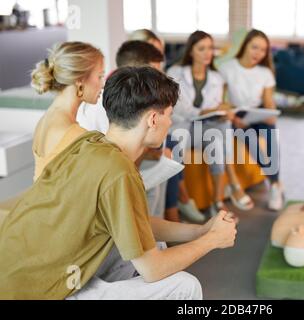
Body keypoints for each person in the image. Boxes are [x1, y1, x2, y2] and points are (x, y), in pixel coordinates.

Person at [0, 66, 237, 299]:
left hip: (14, 272)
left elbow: (136, 222)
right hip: (37, 291)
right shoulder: (119, 172)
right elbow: (153, 270)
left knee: (153, 244)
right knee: (185, 285)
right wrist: (212, 240)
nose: (170, 124)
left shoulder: (87, 143)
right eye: (169, 115)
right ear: (153, 119)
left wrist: (200, 231)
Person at [76, 40, 205, 223]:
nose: (158, 76)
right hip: (112, 172)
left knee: (164, 160)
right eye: (154, 71)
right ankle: (162, 226)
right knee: (156, 174)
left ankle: (162, 227)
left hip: (117, 164)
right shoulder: (107, 104)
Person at [168, 31, 254, 217]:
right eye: (202, 48)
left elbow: (215, 106)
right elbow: (182, 110)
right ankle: (232, 182)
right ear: (191, 51)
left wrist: (223, 111)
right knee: (218, 130)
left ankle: (217, 201)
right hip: (183, 128)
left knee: (219, 135)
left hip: (205, 128)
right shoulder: (175, 73)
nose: (208, 53)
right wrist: (211, 111)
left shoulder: (216, 77)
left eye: (210, 48)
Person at [218, 29, 284, 211]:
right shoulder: (227, 68)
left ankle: (275, 184)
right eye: (254, 47)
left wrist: (271, 115)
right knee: (250, 138)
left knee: (271, 132)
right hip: (235, 114)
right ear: (245, 45)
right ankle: (275, 181)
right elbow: (219, 100)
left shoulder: (265, 73)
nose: (258, 53)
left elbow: (268, 102)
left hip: (257, 113)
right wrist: (232, 116)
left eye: (262, 50)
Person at [30, 41, 104, 181]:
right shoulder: (74, 135)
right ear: (79, 80)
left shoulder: (45, 119)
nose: (102, 84)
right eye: (99, 76)